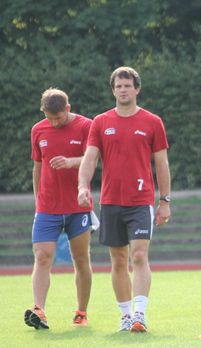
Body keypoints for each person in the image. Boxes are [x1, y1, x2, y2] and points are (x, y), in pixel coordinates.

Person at [78, 67, 171, 332]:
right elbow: (90, 158)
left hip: (141, 201)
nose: (122, 90)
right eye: (118, 86)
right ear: (113, 90)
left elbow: (162, 164)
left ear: (137, 88)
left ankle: (140, 314)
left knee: (139, 256)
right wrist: (82, 186)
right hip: (110, 202)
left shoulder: (152, 122)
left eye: (127, 85)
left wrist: (164, 200)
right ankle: (125, 315)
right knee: (118, 260)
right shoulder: (101, 122)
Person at [26, 88, 94, 329]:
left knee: (81, 259)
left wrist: (71, 162)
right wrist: (38, 201)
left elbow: (94, 158)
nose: (54, 123)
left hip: (78, 206)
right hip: (47, 207)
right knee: (42, 257)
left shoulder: (87, 126)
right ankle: (39, 310)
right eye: (49, 118)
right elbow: (37, 167)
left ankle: (81, 312)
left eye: (58, 117)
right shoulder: (38, 129)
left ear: (68, 108)